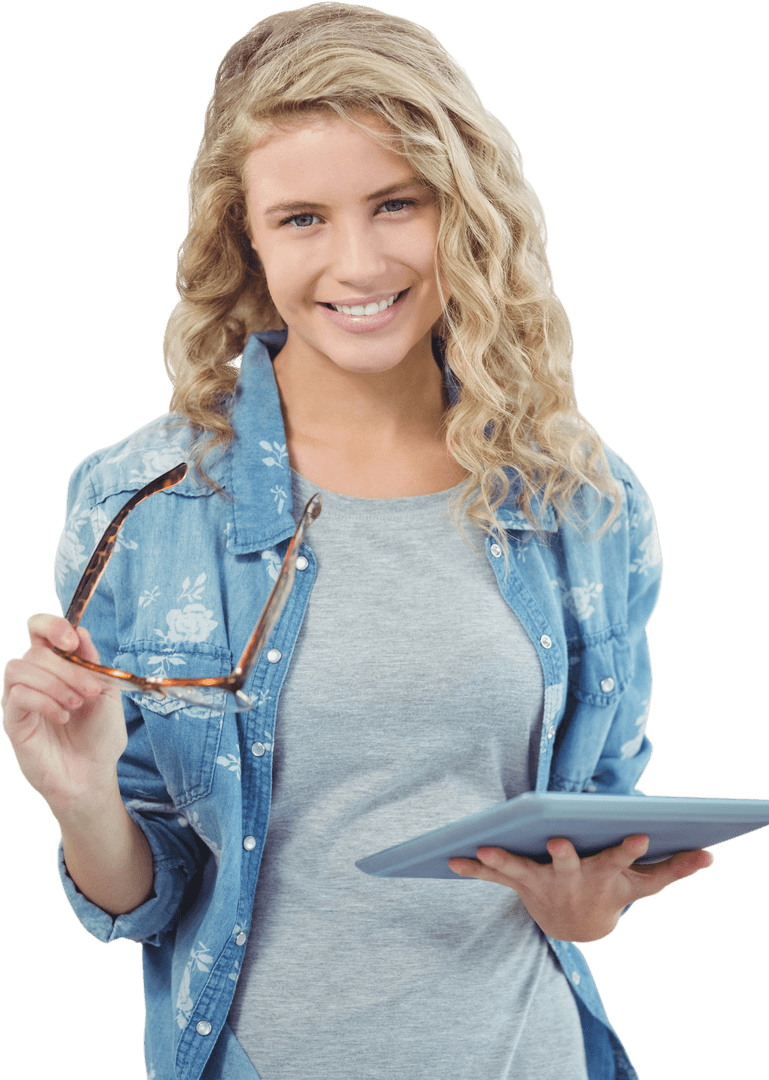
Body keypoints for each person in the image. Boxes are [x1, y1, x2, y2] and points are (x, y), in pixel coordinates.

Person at [1, 4, 715, 1079]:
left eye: (397, 204)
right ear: (243, 233)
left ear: (461, 213)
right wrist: (80, 795)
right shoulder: (142, 501)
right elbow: (143, 904)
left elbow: (594, 833)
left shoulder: (581, 497)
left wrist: (588, 902)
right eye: (302, 219)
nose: (358, 260)